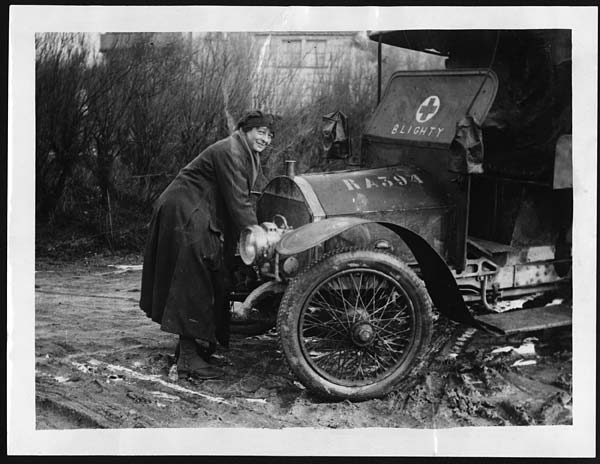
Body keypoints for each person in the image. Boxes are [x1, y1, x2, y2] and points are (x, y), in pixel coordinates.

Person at [139, 110, 275, 380]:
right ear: (245, 130)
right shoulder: (231, 151)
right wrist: (260, 243)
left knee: (213, 272)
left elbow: (236, 200)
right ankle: (188, 358)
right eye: (261, 131)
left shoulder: (244, 152)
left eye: (270, 135)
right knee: (194, 278)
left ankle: (195, 347)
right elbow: (238, 203)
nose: (266, 138)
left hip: (197, 211)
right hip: (186, 212)